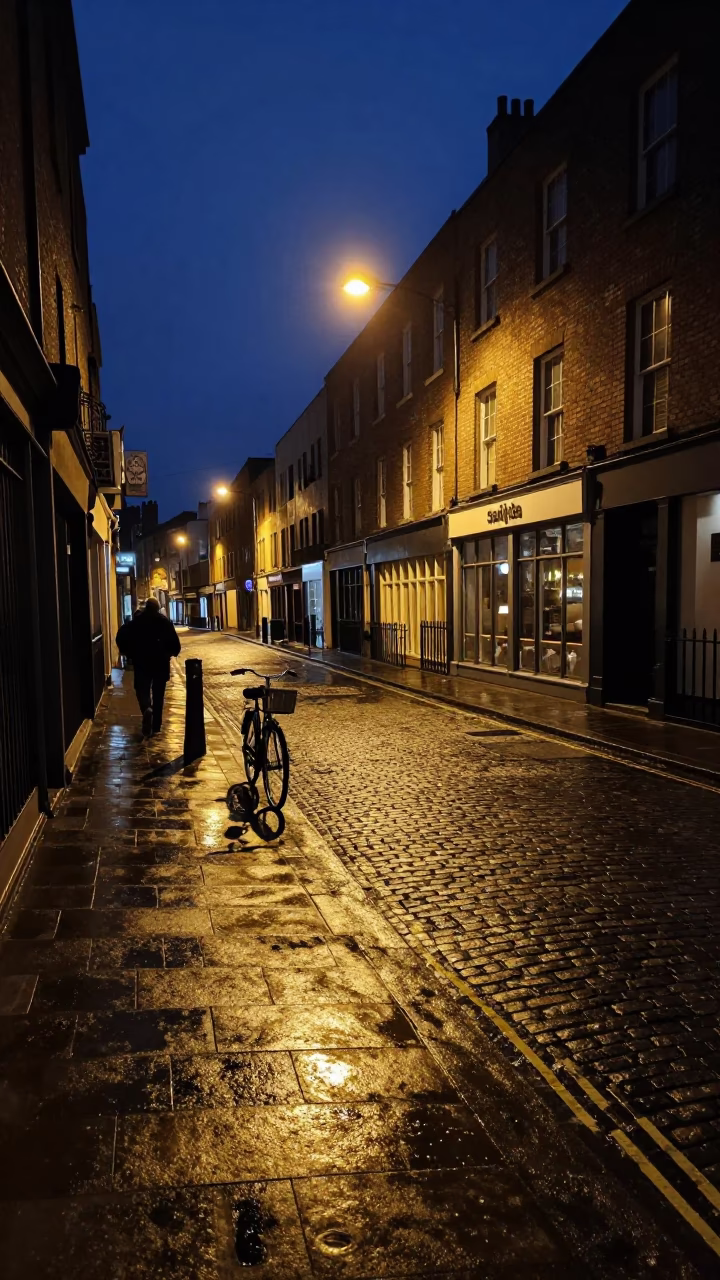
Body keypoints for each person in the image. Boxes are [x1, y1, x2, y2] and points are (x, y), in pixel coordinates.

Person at [116, 598, 181, 736]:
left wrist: (128, 652)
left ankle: (146, 708)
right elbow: (176, 645)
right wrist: (169, 653)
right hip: (160, 663)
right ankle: (156, 725)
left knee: (141, 689)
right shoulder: (164, 622)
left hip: (142, 661)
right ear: (157, 608)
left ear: (146, 607)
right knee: (159, 694)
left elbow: (121, 636)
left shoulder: (137, 621)